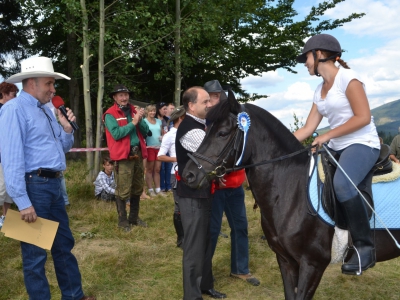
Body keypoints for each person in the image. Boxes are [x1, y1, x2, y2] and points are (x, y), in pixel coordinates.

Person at [0, 56, 95, 300]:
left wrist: (66, 127)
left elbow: (61, 148)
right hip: (33, 186)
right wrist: (22, 201)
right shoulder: (13, 109)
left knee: (64, 244)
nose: (53, 89)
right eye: (49, 84)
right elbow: (11, 158)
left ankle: (74, 296)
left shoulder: (47, 110)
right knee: (34, 255)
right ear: (31, 83)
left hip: (53, 184)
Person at [294, 34, 380, 275]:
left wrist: (327, 135)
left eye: (307, 58)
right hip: (336, 147)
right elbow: (308, 129)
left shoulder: (348, 79)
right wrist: (279, 142)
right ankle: (336, 236)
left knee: (343, 184)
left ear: (319, 54)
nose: (305, 63)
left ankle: (365, 247)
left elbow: (363, 117)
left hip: (363, 143)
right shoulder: (319, 90)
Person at [203, 80, 260, 286]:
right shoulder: (205, 122)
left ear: (223, 98)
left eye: (216, 96)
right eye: (209, 97)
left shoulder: (235, 120)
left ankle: (240, 269)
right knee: (212, 229)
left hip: (235, 185)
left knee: (241, 227)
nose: (212, 101)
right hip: (215, 187)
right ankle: (203, 272)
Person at [176, 87, 226, 299]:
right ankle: (192, 295)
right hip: (192, 196)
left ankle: (205, 284)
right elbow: (216, 157)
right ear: (191, 105)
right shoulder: (191, 130)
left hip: (204, 192)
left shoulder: (200, 125)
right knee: (194, 248)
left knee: (206, 242)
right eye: (205, 102)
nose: (209, 105)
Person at [104, 84, 149, 231]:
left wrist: (140, 120)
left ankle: (134, 218)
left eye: (126, 94)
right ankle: (123, 221)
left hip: (137, 153)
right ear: (114, 97)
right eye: (121, 95)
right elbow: (116, 134)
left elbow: (146, 131)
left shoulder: (134, 110)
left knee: (137, 187)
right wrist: (133, 122)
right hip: (123, 156)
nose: (124, 98)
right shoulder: (110, 114)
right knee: (122, 190)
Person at [157, 106, 186, 248]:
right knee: (179, 206)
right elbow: (160, 156)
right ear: (180, 118)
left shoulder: (190, 132)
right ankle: (181, 239)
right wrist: (176, 159)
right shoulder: (170, 135)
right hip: (176, 174)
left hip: (192, 173)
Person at [0, 82, 18, 224]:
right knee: (1, 190)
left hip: (10, 157)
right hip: (1, 158)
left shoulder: (12, 110)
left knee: (9, 190)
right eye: (13, 94)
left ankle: (6, 218)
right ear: (4, 94)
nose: (15, 97)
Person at [143, 104, 166, 197]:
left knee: (157, 169)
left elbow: (162, 132)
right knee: (149, 169)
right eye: (150, 111)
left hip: (159, 147)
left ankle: (158, 189)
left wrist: (162, 137)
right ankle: (150, 189)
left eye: (154, 111)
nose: (152, 112)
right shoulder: (144, 121)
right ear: (147, 112)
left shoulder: (158, 121)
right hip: (149, 147)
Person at [157, 102, 172, 192]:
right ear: (159, 110)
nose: (166, 111)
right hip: (158, 146)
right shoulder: (155, 120)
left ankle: (169, 186)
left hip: (168, 145)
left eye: (166, 109)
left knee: (168, 166)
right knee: (161, 167)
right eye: (164, 109)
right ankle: (162, 186)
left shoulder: (168, 120)